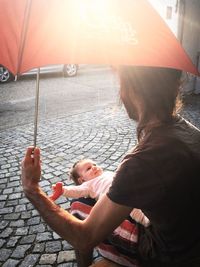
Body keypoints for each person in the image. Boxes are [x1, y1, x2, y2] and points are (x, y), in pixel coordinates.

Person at [21, 66, 200, 267]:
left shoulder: (141, 162)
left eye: (121, 83)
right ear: (175, 86)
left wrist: (32, 188)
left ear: (130, 89)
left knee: (79, 209)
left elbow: (85, 237)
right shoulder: (190, 131)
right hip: (189, 241)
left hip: (167, 256)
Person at [51, 158, 150, 227]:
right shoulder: (88, 185)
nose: (94, 167)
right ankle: (145, 220)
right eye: (88, 168)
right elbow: (77, 191)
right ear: (82, 180)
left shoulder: (106, 173)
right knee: (132, 207)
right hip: (115, 199)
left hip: (126, 186)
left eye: (94, 164)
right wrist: (63, 190)